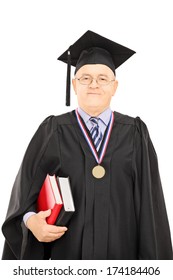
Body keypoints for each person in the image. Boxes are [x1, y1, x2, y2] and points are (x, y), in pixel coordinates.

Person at [1, 30, 173, 260]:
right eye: (85, 78)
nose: (94, 84)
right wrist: (31, 221)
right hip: (68, 262)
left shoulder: (135, 133)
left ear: (115, 86)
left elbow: (151, 208)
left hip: (122, 264)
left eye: (103, 78)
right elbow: (23, 195)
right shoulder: (53, 130)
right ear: (74, 84)